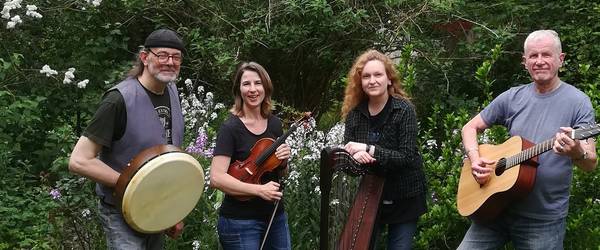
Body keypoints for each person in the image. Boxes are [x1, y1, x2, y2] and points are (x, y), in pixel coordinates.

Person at [458, 30, 597, 249]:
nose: (539, 61)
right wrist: (475, 159)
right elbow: (469, 127)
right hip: (495, 208)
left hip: (543, 220)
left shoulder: (578, 102)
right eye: (533, 56)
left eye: (546, 55)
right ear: (525, 62)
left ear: (560, 59)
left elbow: (590, 163)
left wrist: (576, 152)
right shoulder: (512, 97)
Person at [68, 28, 186, 249]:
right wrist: (133, 185)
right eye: (162, 55)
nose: (169, 62)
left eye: (176, 57)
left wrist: (172, 211)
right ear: (145, 57)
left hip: (156, 208)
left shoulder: (172, 92)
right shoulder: (118, 100)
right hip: (121, 211)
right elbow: (79, 160)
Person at [341, 49, 427, 250]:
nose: (372, 80)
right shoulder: (355, 115)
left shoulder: (404, 110)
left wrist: (369, 149)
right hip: (370, 196)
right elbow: (348, 154)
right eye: (366, 76)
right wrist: (354, 155)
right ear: (360, 82)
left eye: (378, 75)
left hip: (405, 195)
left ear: (389, 79)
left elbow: (405, 156)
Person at [209, 62, 292, 249]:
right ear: (239, 89)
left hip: (274, 217)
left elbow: (281, 171)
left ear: (266, 87)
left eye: (258, 83)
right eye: (246, 84)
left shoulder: (275, 124)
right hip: (240, 223)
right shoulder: (230, 128)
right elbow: (216, 178)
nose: (252, 89)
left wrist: (284, 161)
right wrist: (259, 191)